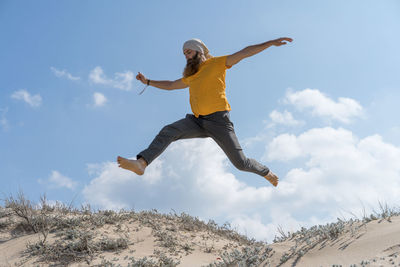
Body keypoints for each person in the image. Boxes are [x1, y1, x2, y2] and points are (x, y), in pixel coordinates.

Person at [117, 37, 293, 187]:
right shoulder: (191, 76)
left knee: (241, 163)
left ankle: (266, 172)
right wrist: (148, 82)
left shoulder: (217, 63)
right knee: (169, 130)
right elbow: (171, 85)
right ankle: (142, 163)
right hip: (197, 121)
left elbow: (245, 52)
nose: (186, 56)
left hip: (219, 122)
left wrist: (269, 43)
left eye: (189, 52)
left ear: (198, 51)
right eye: (184, 53)